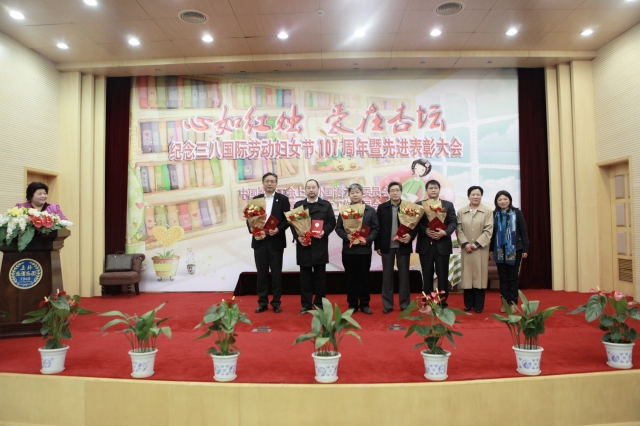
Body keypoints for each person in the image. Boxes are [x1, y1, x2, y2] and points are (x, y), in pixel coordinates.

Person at [290, 179, 336, 313]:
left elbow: (332, 222)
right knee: (305, 278)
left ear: (318, 189)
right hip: (304, 246)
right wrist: (297, 237)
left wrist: (324, 231)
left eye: (313, 187)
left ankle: (319, 304)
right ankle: (306, 304)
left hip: (319, 245)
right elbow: (292, 224)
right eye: (308, 188)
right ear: (305, 190)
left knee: (320, 278)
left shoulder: (326, 205)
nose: (311, 190)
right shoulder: (299, 205)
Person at [248, 173, 290, 314]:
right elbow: (249, 219)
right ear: (263, 183)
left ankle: (276, 303)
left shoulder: (283, 199)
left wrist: (278, 229)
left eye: (272, 181)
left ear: (276, 183)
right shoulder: (256, 200)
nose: (270, 184)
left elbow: (287, 219)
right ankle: (262, 303)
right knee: (261, 274)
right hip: (259, 242)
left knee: (276, 275)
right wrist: (253, 230)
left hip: (276, 242)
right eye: (267, 181)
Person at [335, 183, 379, 314]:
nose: (355, 195)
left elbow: (376, 228)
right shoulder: (345, 210)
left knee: (364, 278)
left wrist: (367, 240)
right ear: (349, 195)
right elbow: (338, 228)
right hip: (348, 251)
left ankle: (365, 304)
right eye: (352, 192)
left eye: (357, 192)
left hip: (364, 251)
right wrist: (346, 236)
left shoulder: (370, 211)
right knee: (350, 278)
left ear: (362, 194)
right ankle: (352, 304)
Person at [415, 180, 456, 307]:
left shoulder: (448, 205)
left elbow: (453, 222)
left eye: (435, 188)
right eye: (430, 188)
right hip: (425, 246)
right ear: (426, 190)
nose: (433, 190)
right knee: (426, 275)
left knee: (442, 275)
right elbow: (415, 224)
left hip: (442, 245)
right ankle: (427, 301)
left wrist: (445, 232)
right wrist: (425, 230)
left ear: (439, 190)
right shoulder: (419, 205)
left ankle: (442, 301)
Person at [375, 181, 413, 314]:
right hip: (387, 247)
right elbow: (377, 228)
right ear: (389, 193)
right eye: (392, 190)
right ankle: (388, 305)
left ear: (401, 192)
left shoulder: (408, 207)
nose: (395, 193)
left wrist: (411, 236)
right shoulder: (382, 208)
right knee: (387, 277)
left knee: (404, 277)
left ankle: (404, 304)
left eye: (397, 190)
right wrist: (378, 246)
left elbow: (414, 226)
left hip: (403, 246)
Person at [490, 190, 529, 312]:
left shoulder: (517, 213)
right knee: (503, 278)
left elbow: (523, 231)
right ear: (496, 201)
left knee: (512, 278)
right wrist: (491, 250)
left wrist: (525, 248)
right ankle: (504, 304)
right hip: (499, 250)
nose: (503, 201)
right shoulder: (494, 214)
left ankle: (513, 303)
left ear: (510, 200)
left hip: (515, 249)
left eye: (505, 199)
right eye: (500, 199)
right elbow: (492, 234)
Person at [456, 186, 494, 314]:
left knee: (480, 276)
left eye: (478, 194)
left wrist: (477, 244)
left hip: (480, 249)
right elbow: (459, 229)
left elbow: (488, 230)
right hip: (466, 249)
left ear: (481, 196)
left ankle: (478, 305)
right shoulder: (461, 212)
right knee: (467, 276)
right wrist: (465, 243)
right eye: (473, 194)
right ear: (468, 196)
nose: (476, 197)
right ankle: (468, 304)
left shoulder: (488, 211)